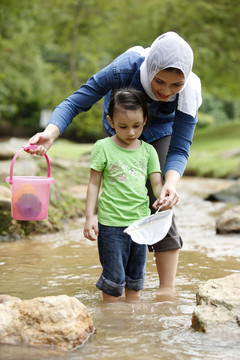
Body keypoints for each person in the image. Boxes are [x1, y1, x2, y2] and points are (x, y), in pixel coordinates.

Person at [27, 31, 202, 292]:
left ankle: (167, 291)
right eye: (160, 81)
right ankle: (115, 275)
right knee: (121, 192)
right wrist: (50, 133)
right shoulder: (124, 68)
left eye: (176, 85)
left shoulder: (191, 89)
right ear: (150, 69)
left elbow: (180, 146)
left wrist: (171, 182)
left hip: (162, 132)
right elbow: (76, 101)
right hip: (118, 128)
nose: (166, 91)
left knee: (161, 201)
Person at [84, 89, 166, 301]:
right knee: (113, 279)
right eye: (123, 126)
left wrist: (164, 198)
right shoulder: (103, 147)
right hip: (111, 224)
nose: (130, 132)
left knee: (135, 278)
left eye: (137, 126)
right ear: (110, 121)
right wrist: (89, 217)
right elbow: (94, 183)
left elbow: (156, 183)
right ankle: (112, 324)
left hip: (140, 223)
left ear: (145, 120)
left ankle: (131, 324)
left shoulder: (148, 151)